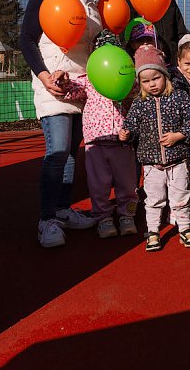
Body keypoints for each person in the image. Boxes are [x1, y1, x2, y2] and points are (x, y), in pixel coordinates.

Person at [19, 0, 103, 248]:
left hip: (83, 84)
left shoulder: (91, 1)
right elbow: (27, 40)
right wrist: (43, 76)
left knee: (70, 152)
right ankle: (46, 220)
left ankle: (63, 210)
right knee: (57, 151)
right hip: (53, 83)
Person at [119, 45, 190, 252]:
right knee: (154, 200)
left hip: (178, 160)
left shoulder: (179, 97)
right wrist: (125, 134)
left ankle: (185, 228)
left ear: (165, 75)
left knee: (181, 197)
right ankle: (153, 232)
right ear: (139, 83)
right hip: (152, 164)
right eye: (145, 81)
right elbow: (131, 126)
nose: (152, 84)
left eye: (156, 78)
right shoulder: (139, 104)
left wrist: (179, 135)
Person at [60, 30, 138, 239]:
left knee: (127, 181)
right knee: (98, 183)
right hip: (96, 141)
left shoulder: (126, 78)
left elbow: (136, 94)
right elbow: (71, 92)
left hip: (122, 140)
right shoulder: (88, 80)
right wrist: (63, 81)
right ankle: (103, 218)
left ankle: (126, 215)